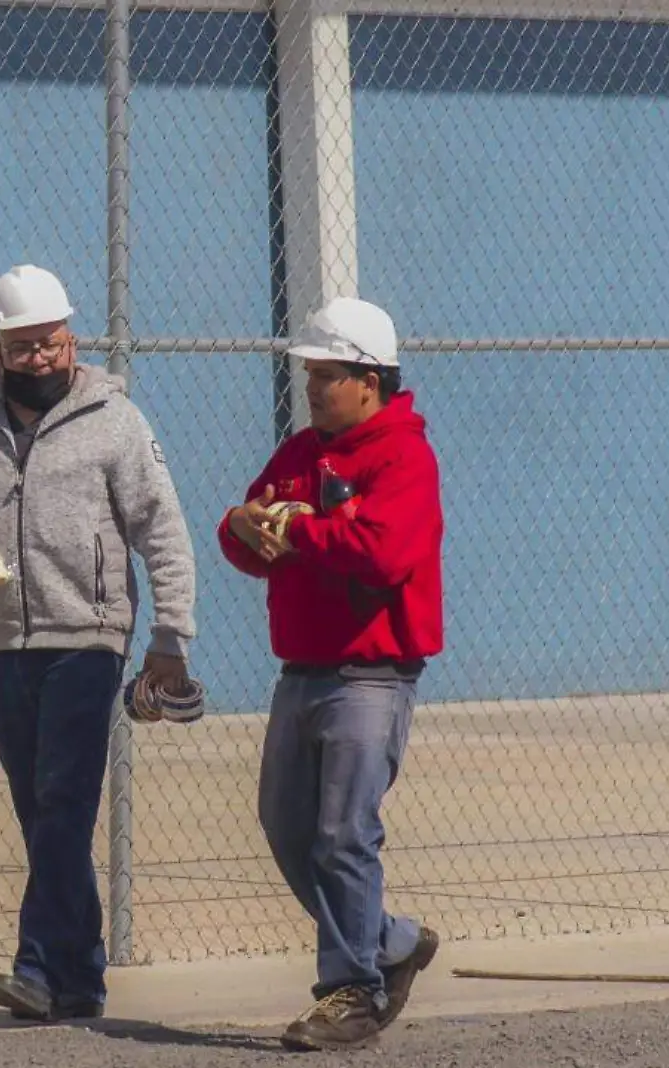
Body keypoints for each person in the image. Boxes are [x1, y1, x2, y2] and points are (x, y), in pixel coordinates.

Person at [0, 264, 198, 1022]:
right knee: (39, 810)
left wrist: (170, 633)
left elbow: (162, 529)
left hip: (89, 636)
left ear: (73, 339)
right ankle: (83, 974)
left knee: (64, 800)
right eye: (23, 347)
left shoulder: (114, 421)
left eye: (51, 343)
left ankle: (34, 965)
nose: (40, 359)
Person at [217, 296, 445, 1051]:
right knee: (287, 827)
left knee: (344, 832)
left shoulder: (401, 455)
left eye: (327, 375)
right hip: (303, 669)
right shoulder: (300, 455)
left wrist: (302, 530)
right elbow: (247, 532)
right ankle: (389, 941)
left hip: (371, 676)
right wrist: (246, 526)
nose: (312, 388)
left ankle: (349, 995)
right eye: (311, 374)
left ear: (370, 380)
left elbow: (384, 552)